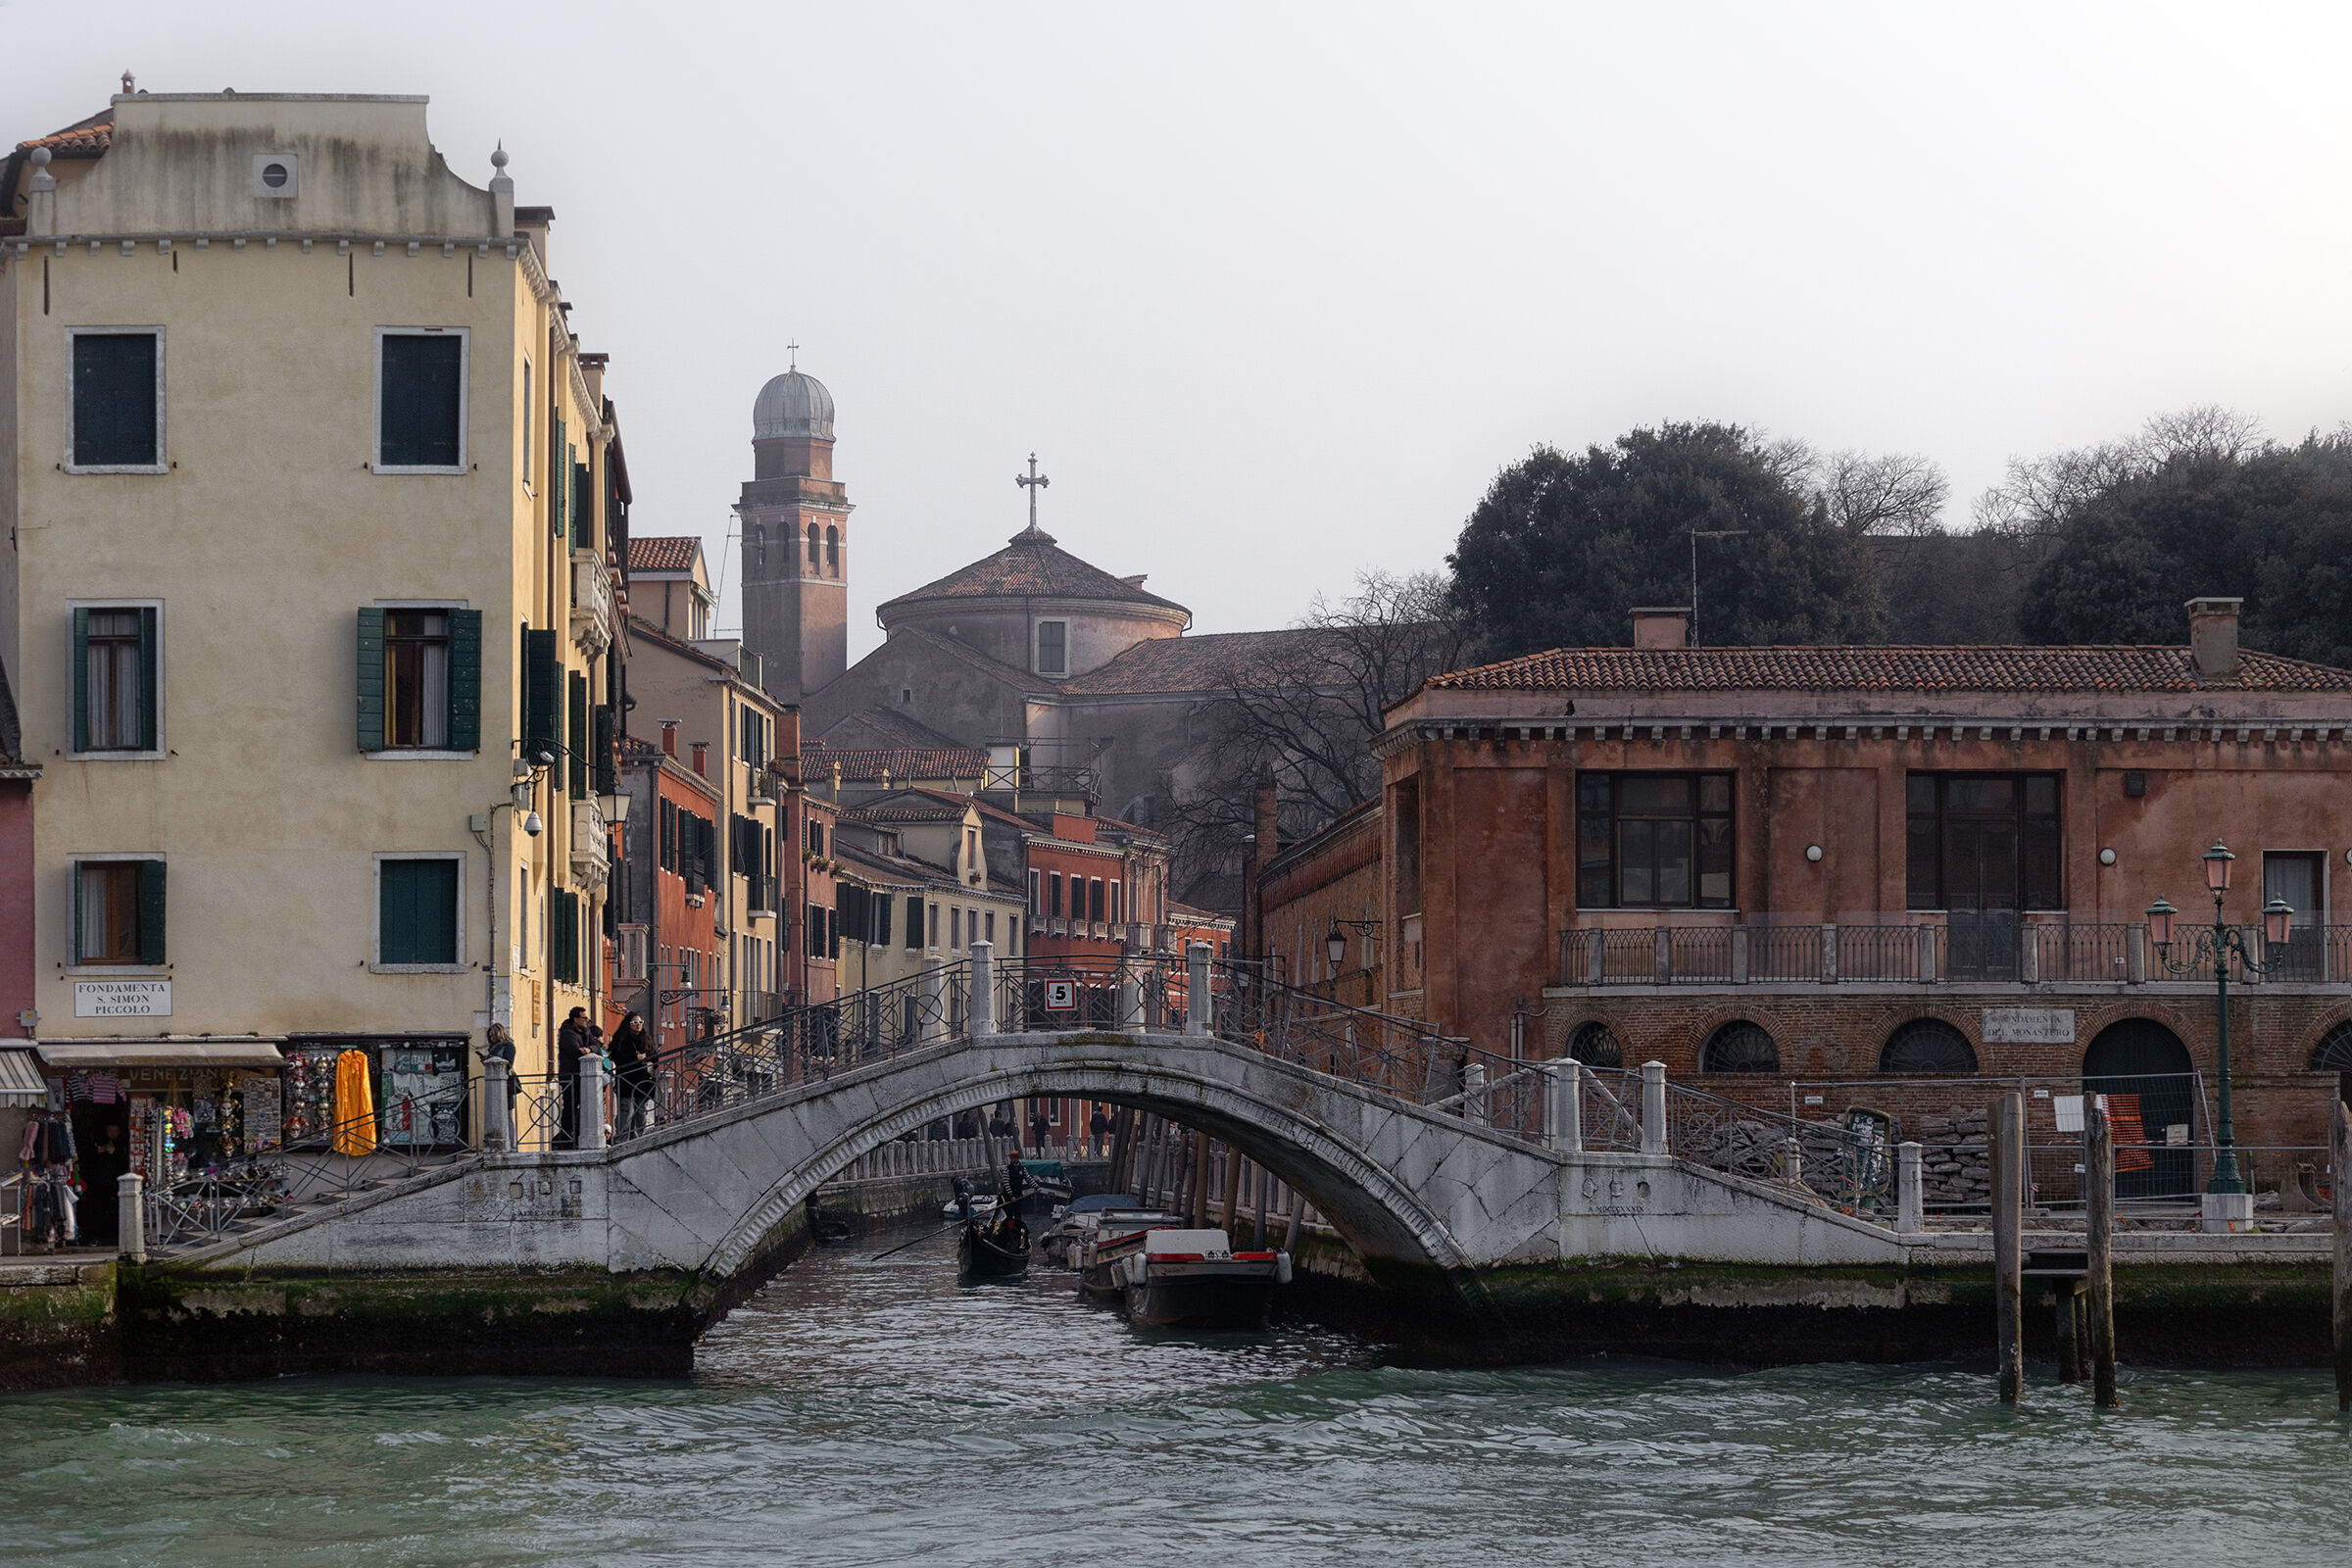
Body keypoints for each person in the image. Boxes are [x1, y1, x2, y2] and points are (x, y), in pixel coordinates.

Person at [609, 1012, 658, 1141]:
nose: (638, 1025)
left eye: (640, 1022)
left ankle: (638, 1138)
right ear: (628, 1024)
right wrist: (635, 1057)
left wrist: (647, 1058)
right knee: (625, 1109)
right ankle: (622, 1138)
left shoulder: (646, 1039)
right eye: (635, 1023)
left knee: (640, 1110)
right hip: (626, 1079)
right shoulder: (620, 1039)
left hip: (642, 1080)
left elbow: (655, 1056)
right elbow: (616, 1057)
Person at [554, 1007, 591, 1149]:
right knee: (570, 1106)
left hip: (583, 1077)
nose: (587, 1021)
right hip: (570, 1076)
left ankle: (578, 1134)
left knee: (583, 1106)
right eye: (584, 1018)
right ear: (575, 1019)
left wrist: (590, 1049)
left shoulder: (586, 1031)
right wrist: (586, 1049)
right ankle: (568, 1137)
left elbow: (597, 1047)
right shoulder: (567, 1033)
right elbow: (575, 1051)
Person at [481, 1023, 519, 1147]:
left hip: (505, 1084)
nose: (491, 1038)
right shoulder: (493, 1047)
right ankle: (497, 1142)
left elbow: (508, 1064)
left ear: (499, 1034)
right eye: (490, 1036)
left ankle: (512, 1145)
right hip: (493, 1085)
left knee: (507, 1117)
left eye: (493, 1036)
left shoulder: (508, 1046)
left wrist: (491, 1057)